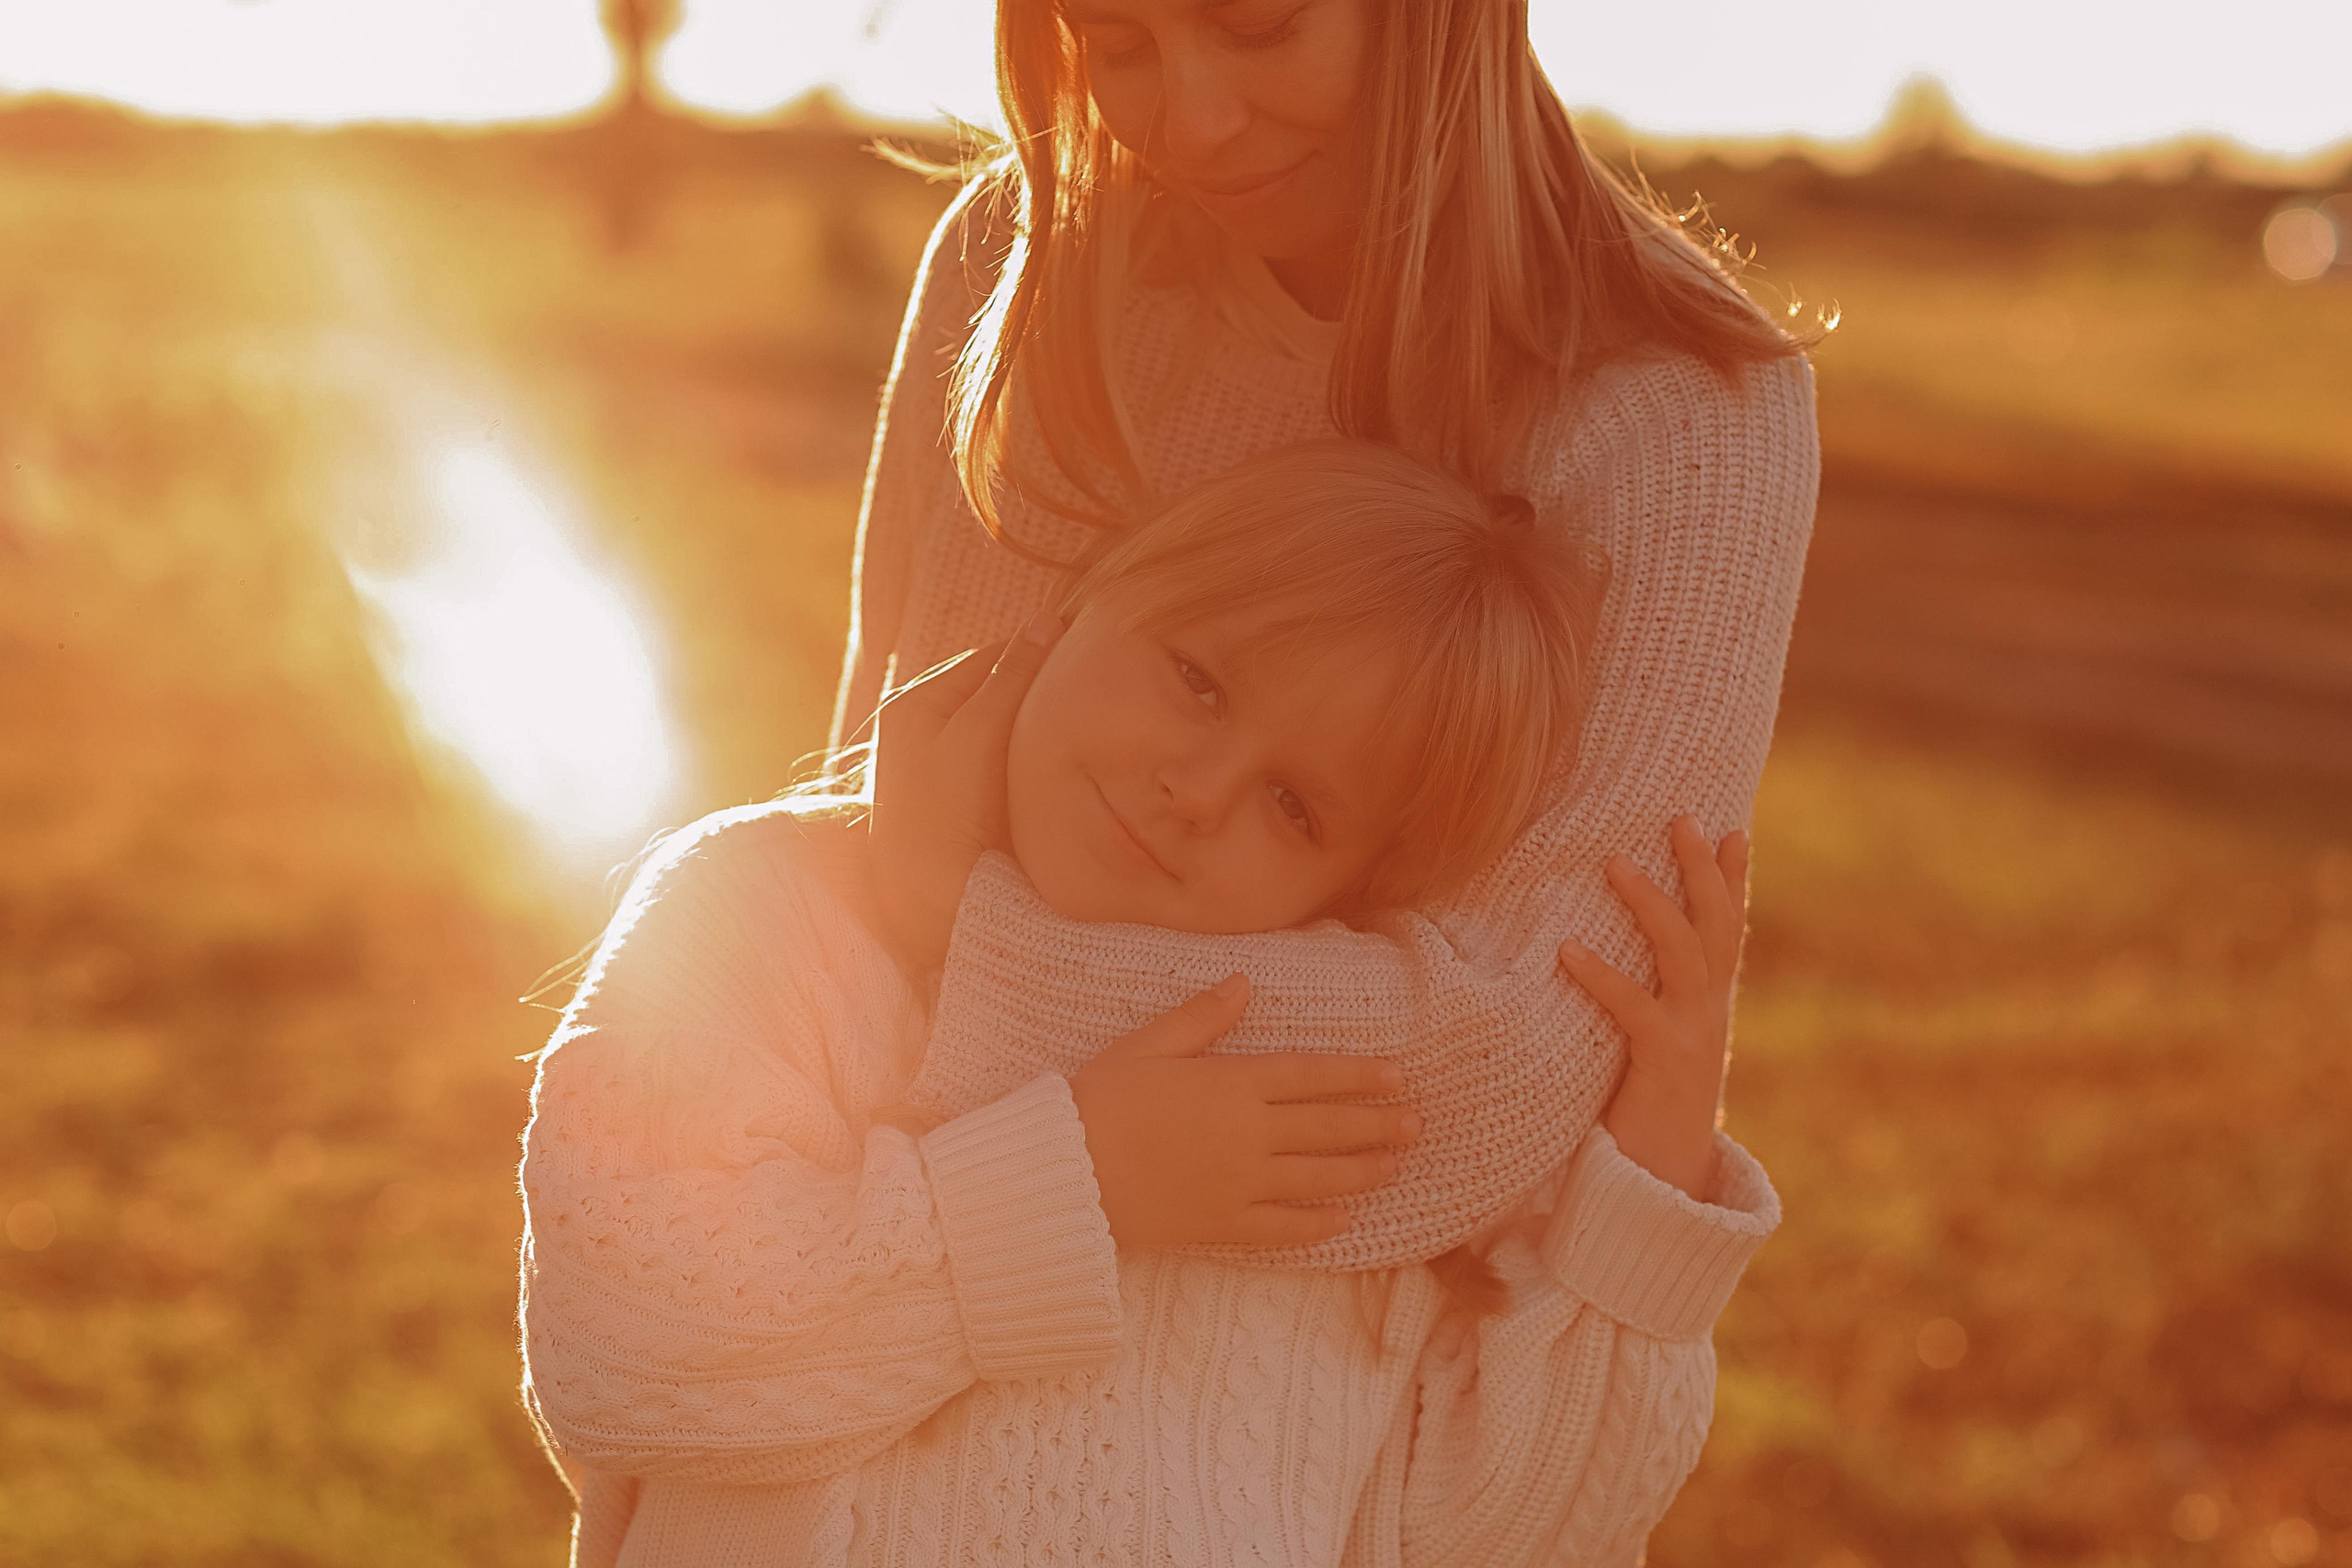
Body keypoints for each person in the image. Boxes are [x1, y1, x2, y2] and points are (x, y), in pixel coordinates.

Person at [521, 439, 1775, 1565]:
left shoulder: (1338, 1127)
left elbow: (1511, 1536)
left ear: (1360, 888)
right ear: (1087, 593)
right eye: (1199, 680)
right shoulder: (774, 910)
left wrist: (1649, 1190)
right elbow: (627, 1344)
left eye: (1297, 807)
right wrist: (1081, 1183)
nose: (1199, 789)